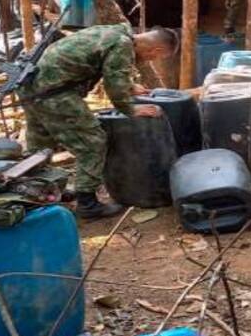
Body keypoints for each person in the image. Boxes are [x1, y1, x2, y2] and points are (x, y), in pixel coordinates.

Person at [20, 24, 178, 218]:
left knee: (40, 145)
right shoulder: (123, 45)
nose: (149, 60)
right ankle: (87, 203)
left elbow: (102, 67)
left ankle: (35, 192)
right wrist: (130, 108)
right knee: (92, 142)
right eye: (154, 58)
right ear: (156, 50)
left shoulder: (115, 32)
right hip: (55, 94)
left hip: (31, 87)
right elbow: (114, 84)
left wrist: (129, 86)